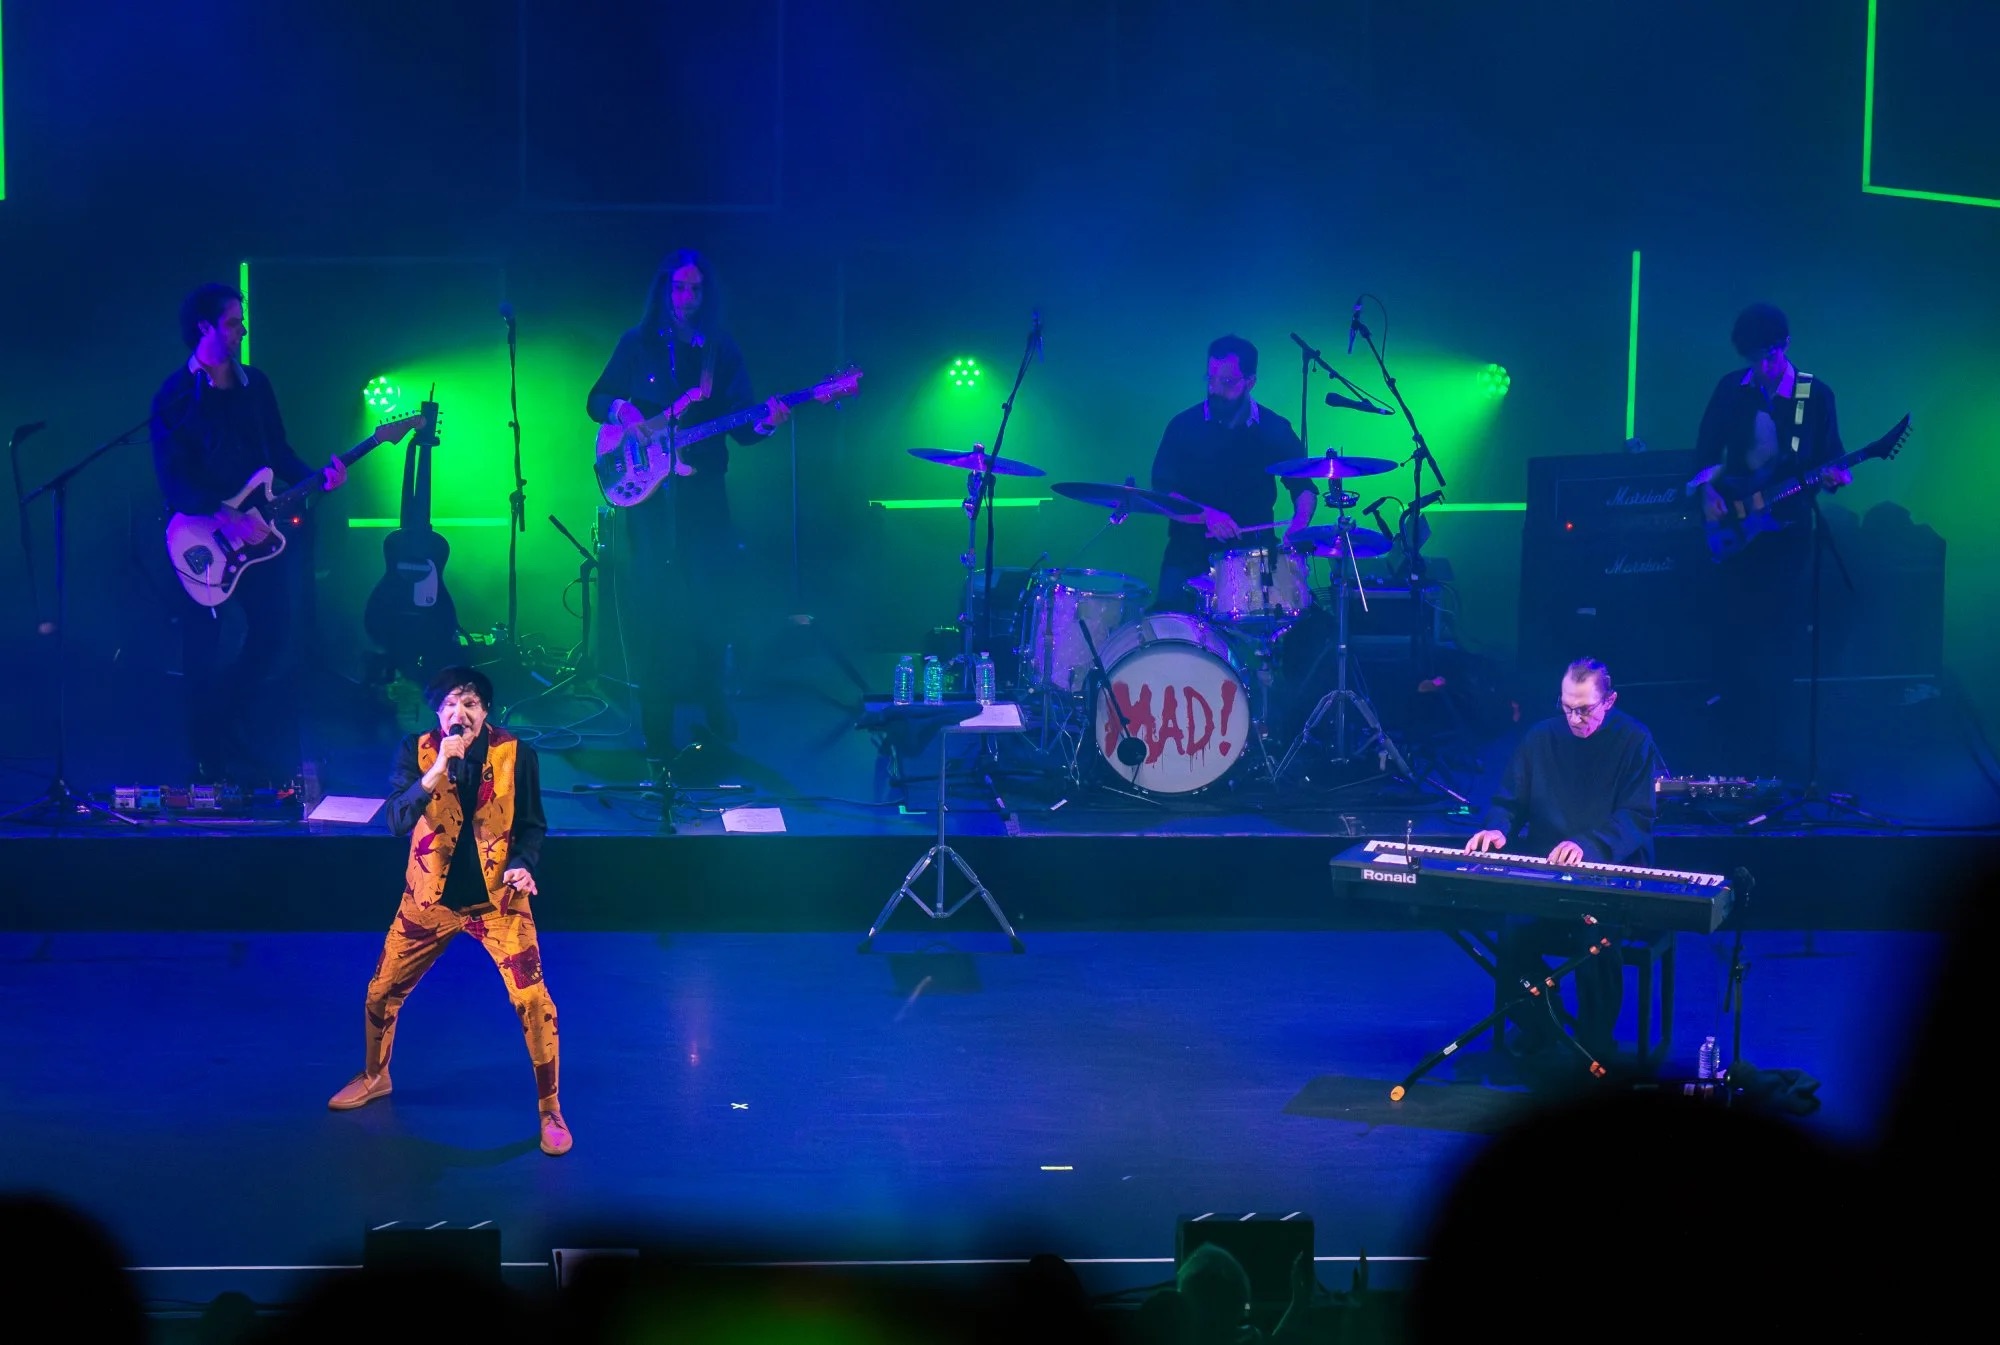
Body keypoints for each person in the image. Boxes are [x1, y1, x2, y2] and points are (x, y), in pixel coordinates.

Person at [327, 665, 569, 1156]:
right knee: (380, 992)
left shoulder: (517, 755)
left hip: (499, 903)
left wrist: (522, 864)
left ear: (486, 711)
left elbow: (532, 826)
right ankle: (376, 1075)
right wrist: (436, 771)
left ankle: (550, 1108)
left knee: (532, 1002)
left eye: (472, 703)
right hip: (428, 901)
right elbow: (396, 820)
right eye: (452, 704)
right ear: (438, 712)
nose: (462, 713)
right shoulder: (415, 751)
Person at [586, 249, 791, 762]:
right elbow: (596, 398)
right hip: (651, 503)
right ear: (664, 291)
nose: (687, 298)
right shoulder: (637, 344)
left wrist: (766, 422)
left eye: (696, 289)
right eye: (680, 288)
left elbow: (742, 427)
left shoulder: (719, 351)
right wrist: (623, 408)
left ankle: (713, 705)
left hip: (703, 496)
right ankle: (656, 723)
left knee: (711, 603)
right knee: (655, 607)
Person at [150, 281, 351, 781]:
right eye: (233, 321)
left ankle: (227, 714)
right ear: (205, 327)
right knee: (201, 647)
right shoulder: (174, 395)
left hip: (258, 538)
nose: (242, 329)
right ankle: (206, 754)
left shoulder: (255, 384)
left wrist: (316, 475)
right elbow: (172, 477)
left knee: (272, 631)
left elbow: (276, 451)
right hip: (200, 539)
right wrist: (222, 515)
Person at [1464, 657, 1666, 1064]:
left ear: (1609, 701)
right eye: (1567, 707)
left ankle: (1593, 1044)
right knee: (1514, 933)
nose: (1575, 718)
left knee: (1597, 942)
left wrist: (1588, 845)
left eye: (1585, 708)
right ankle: (1542, 1025)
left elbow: (1637, 815)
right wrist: (1498, 827)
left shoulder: (1634, 740)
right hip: (1549, 877)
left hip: (1610, 876)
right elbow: (1509, 799)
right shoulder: (1540, 738)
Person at [1689, 302, 1852, 777]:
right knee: (1734, 636)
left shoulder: (1814, 395)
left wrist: (1836, 475)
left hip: (1788, 534)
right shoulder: (1730, 390)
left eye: (1768, 356)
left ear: (1785, 346)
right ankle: (1733, 747)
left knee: (1779, 640)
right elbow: (1703, 453)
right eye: (1752, 357)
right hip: (1736, 533)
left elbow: (1834, 457)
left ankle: (1777, 754)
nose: (1760, 368)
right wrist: (1705, 495)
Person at [1149, 335, 1316, 613]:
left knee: (1263, 643)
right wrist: (1206, 515)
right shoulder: (1183, 426)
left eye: (1226, 383)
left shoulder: (1273, 429)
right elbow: (1162, 493)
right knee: (1172, 635)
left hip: (1255, 557)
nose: (1214, 389)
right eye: (1211, 378)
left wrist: (1299, 523)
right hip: (1188, 555)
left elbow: (1304, 487)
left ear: (1249, 382)